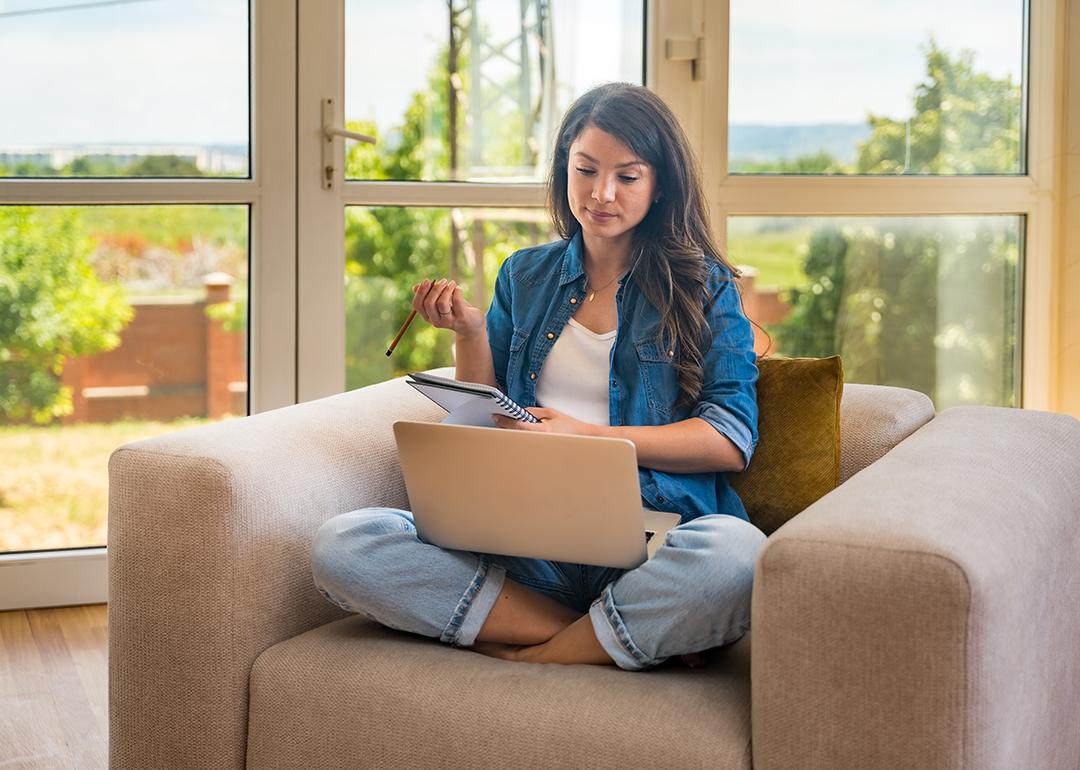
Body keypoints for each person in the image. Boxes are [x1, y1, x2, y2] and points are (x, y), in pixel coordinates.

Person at [311, 82, 766, 671]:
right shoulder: (525, 276)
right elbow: (486, 416)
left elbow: (729, 439)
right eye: (586, 170)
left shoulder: (706, 286)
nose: (602, 194)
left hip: (648, 537)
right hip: (526, 538)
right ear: (564, 170)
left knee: (738, 556)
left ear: (659, 186)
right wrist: (471, 334)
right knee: (344, 545)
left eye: (628, 177)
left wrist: (584, 435)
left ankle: (537, 650)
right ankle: (598, 635)